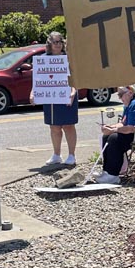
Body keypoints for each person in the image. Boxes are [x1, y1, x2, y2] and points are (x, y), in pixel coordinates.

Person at [97, 85, 135, 184]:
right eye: (118, 95)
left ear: (130, 92)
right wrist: (110, 127)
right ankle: (107, 171)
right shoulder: (128, 104)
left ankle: (113, 175)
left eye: (121, 95)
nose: (119, 98)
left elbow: (131, 128)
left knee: (114, 139)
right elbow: (123, 123)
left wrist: (113, 130)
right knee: (106, 136)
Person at [36, 31, 78, 167]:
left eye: (60, 41)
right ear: (49, 43)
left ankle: (71, 155)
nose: (58, 44)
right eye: (55, 42)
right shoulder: (43, 59)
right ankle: (56, 154)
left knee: (68, 126)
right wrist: (33, 93)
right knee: (54, 127)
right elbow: (38, 79)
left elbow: (75, 78)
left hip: (67, 95)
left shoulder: (69, 58)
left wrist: (73, 92)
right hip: (51, 97)